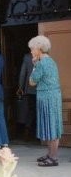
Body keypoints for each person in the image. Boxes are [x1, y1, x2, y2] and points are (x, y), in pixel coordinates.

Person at [29, 35, 63, 167]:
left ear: (39, 49)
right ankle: (50, 155)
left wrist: (34, 65)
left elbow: (32, 81)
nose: (31, 51)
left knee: (52, 127)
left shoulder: (42, 63)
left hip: (48, 98)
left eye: (32, 48)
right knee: (51, 126)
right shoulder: (49, 61)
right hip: (52, 97)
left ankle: (53, 158)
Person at [17, 52, 36, 140]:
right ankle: (40, 134)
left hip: (30, 89)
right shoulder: (44, 56)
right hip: (42, 89)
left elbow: (22, 74)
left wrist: (21, 87)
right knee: (40, 111)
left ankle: (27, 132)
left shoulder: (27, 57)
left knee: (31, 111)